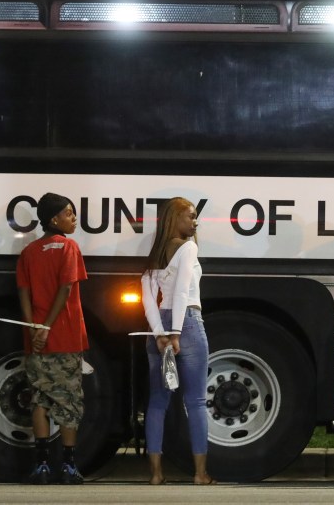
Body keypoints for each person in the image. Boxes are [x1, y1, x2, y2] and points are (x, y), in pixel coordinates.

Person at [17, 193, 88, 485]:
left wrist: (34, 327)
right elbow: (66, 289)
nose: (73, 218)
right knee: (69, 401)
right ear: (53, 219)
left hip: (35, 340)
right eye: (69, 213)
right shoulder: (69, 247)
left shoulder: (29, 251)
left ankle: (42, 465)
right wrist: (47, 326)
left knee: (40, 399)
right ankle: (69, 467)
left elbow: (23, 291)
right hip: (65, 336)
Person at [141, 197, 213, 485]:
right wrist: (176, 333)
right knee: (195, 401)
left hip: (158, 324)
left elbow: (147, 297)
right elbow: (183, 291)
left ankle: (156, 474)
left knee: (158, 402)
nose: (195, 222)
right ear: (175, 219)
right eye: (190, 216)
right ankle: (200, 473)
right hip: (188, 325)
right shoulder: (188, 247)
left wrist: (159, 332)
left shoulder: (156, 252)